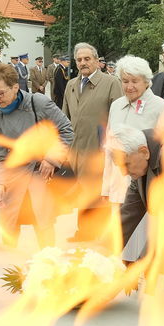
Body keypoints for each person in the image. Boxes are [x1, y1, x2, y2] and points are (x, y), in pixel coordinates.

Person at [0, 62, 73, 248]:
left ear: (15, 87)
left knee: (44, 225)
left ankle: (47, 267)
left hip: (41, 175)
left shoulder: (38, 102)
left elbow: (66, 130)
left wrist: (51, 158)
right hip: (12, 178)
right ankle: (8, 270)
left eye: (0, 93)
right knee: (9, 228)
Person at [63, 42, 123, 239]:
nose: (83, 63)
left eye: (87, 59)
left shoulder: (111, 83)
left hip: (99, 149)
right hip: (76, 149)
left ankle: (100, 235)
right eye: (79, 60)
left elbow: (118, 118)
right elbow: (65, 118)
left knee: (99, 193)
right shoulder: (71, 84)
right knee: (82, 191)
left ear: (97, 61)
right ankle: (82, 232)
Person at [101, 55, 164, 208]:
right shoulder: (116, 106)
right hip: (116, 189)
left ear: (147, 82)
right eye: (125, 81)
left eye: (135, 81)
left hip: (144, 193)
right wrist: (106, 189)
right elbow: (109, 150)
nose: (129, 86)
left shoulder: (161, 108)